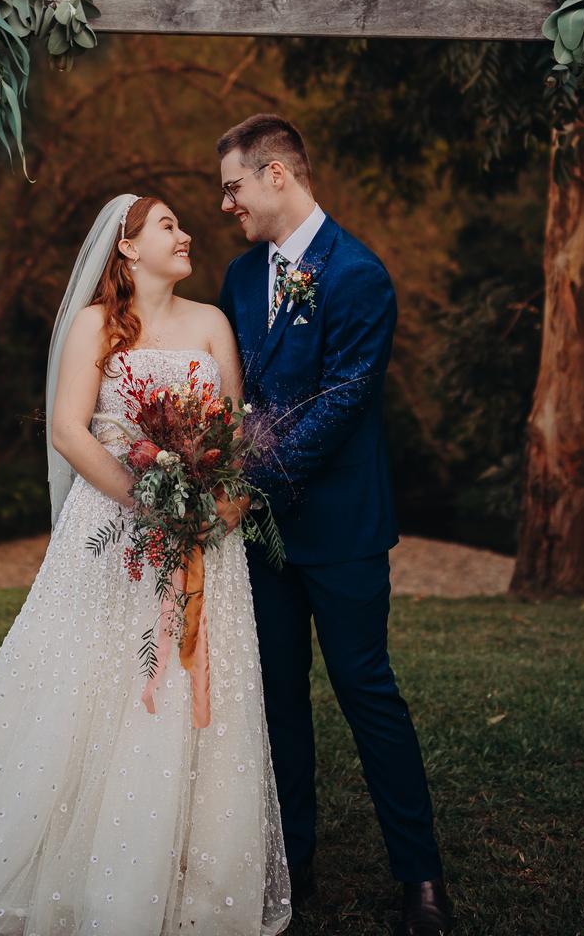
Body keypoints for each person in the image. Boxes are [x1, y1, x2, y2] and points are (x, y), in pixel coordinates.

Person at [0, 193, 291, 936]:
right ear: (128, 248)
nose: (186, 232)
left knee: (194, 693)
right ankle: (77, 867)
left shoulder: (212, 324)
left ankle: (194, 882)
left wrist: (216, 501)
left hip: (202, 544)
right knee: (94, 689)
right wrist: (148, 500)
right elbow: (71, 432)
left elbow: (232, 430)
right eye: (168, 226)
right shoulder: (95, 324)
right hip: (114, 533)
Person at [215, 114, 453, 935]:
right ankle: (295, 862)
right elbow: (232, 394)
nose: (226, 204)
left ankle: (420, 877)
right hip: (260, 541)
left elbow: (346, 400)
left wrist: (252, 481)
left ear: (278, 174)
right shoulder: (242, 280)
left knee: (366, 692)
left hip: (343, 529)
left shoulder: (359, 275)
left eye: (233, 186)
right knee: (278, 695)